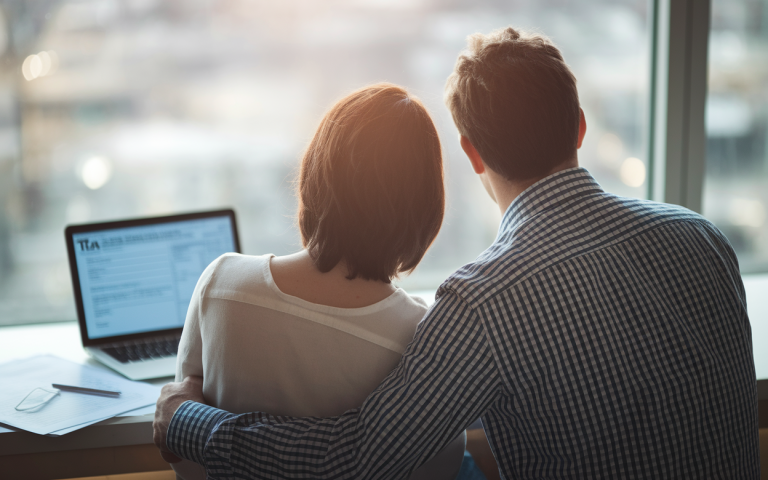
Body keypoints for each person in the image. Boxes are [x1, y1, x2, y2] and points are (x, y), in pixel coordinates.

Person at [154, 28, 761, 479]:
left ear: (471, 155)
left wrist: (188, 420)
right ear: (578, 128)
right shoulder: (701, 238)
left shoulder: (484, 303)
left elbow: (357, 457)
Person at [169, 83, 464, 480]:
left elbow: (181, 450)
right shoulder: (421, 339)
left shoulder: (222, 284)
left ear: (315, 173)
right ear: (427, 207)